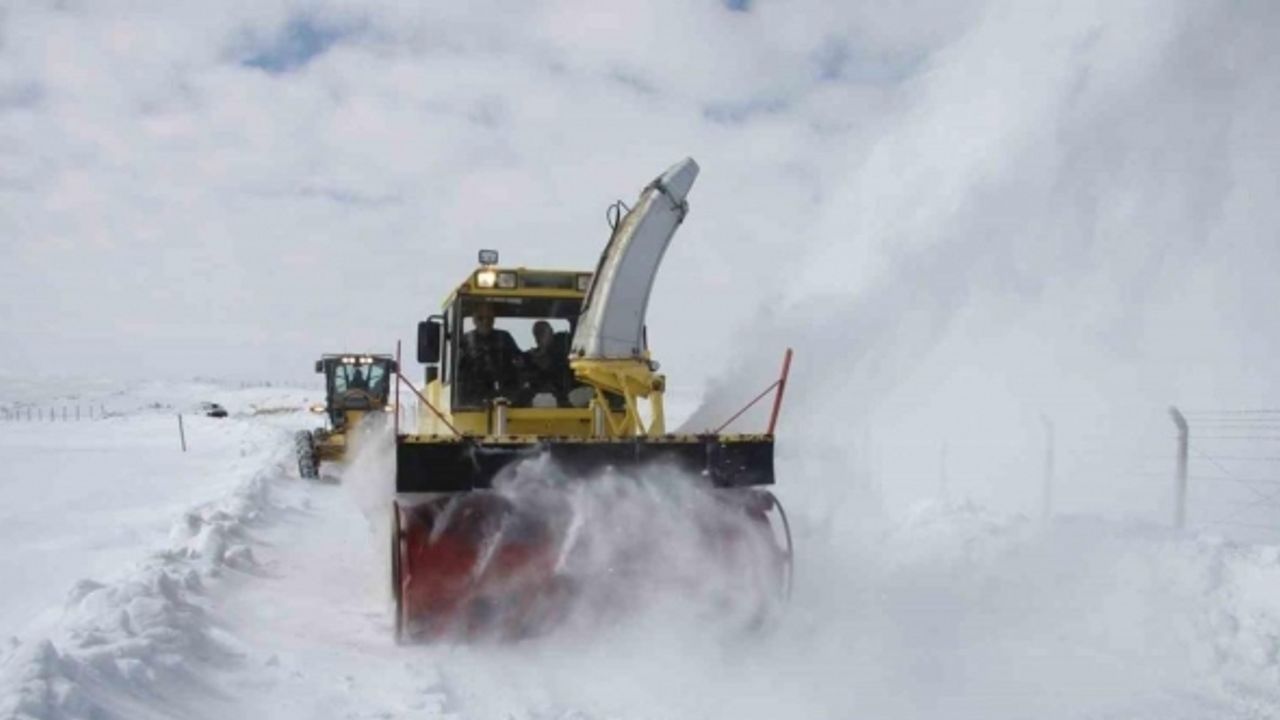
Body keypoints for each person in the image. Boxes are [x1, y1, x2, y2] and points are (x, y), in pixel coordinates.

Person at [459, 302, 521, 404]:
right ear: (474, 320)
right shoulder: (465, 341)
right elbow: (457, 370)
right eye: (480, 318)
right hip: (473, 399)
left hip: (505, 394)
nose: (485, 322)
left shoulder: (504, 337)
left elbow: (519, 360)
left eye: (489, 318)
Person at [520, 320, 571, 406]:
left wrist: (545, 354)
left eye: (543, 332)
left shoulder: (565, 344)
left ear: (551, 331)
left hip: (567, 400)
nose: (539, 337)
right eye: (536, 334)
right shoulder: (529, 357)